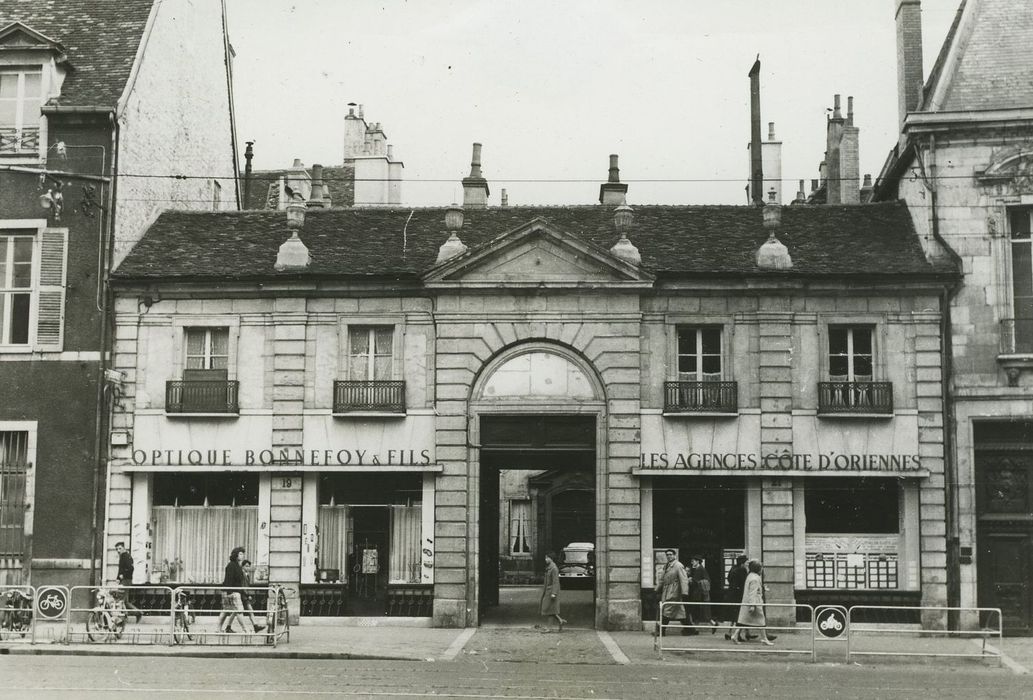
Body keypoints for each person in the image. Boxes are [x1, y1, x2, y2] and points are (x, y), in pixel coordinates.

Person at [732, 559, 774, 645]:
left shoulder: (750, 576)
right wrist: (752, 605)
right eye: (761, 568)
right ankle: (764, 639)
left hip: (748, 602)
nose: (762, 569)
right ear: (758, 569)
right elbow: (753, 593)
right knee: (761, 621)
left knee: (743, 621)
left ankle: (735, 635)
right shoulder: (755, 578)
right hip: (755, 602)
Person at [654, 549, 690, 636]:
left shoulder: (678, 565)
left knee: (667, 610)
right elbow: (662, 579)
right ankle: (690, 629)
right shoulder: (666, 566)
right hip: (667, 590)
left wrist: (684, 592)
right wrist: (657, 589)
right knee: (680, 612)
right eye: (667, 555)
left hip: (674, 591)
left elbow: (684, 579)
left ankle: (661, 631)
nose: (669, 556)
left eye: (670, 554)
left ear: (675, 555)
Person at [217, 546, 247, 633]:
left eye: (243, 554)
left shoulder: (237, 565)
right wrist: (229, 592)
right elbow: (229, 579)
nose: (242, 556)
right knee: (239, 611)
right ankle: (246, 630)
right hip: (232, 592)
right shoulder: (231, 565)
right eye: (240, 554)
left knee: (226, 611)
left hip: (232, 591)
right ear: (236, 555)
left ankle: (218, 629)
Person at [687, 555, 717, 633]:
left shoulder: (699, 569)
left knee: (697, 611)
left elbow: (695, 582)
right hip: (702, 594)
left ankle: (696, 628)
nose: (692, 563)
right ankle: (711, 624)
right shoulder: (700, 569)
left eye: (693, 561)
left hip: (698, 594)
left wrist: (690, 580)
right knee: (701, 611)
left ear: (697, 561)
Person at [114, 541, 142, 623]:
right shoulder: (123, 556)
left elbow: (130, 568)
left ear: (124, 548)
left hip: (126, 580)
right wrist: (118, 578)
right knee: (125, 601)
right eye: (117, 549)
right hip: (125, 580)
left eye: (120, 548)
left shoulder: (126, 556)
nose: (118, 551)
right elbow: (121, 569)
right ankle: (138, 613)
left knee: (120, 599)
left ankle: (121, 619)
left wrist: (123, 575)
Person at [539, 552, 567, 632]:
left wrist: (554, 593)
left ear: (551, 558)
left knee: (549, 609)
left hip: (551, 591)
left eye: (547, 558)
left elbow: (555, 581)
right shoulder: (550, 567)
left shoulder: (554, 568)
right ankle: (560, 621)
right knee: (550, 609)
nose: (545, 559)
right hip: (548, 591)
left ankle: (549, 628)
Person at [724, 554, 748, 640]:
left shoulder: (733, 568)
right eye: (746, 562)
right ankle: (737, 634)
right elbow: (744, 583)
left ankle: (729, 632)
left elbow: (728, 579)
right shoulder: (742, 570)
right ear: (742, 563)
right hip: (739, 595)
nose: (747, 563)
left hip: (732, 593)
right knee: (740, 615)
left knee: (734, 615)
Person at [240, 560, 266, 633]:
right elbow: (242, 585)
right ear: (242, 566)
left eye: (249, 566)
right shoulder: (241, 574)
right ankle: (228, 626)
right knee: (235, 612)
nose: (248, 568)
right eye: (246, 566)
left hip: (244, 596)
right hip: (243, 595)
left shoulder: (246, 574)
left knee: (249, 611)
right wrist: (248, 595)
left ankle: (255, 626)